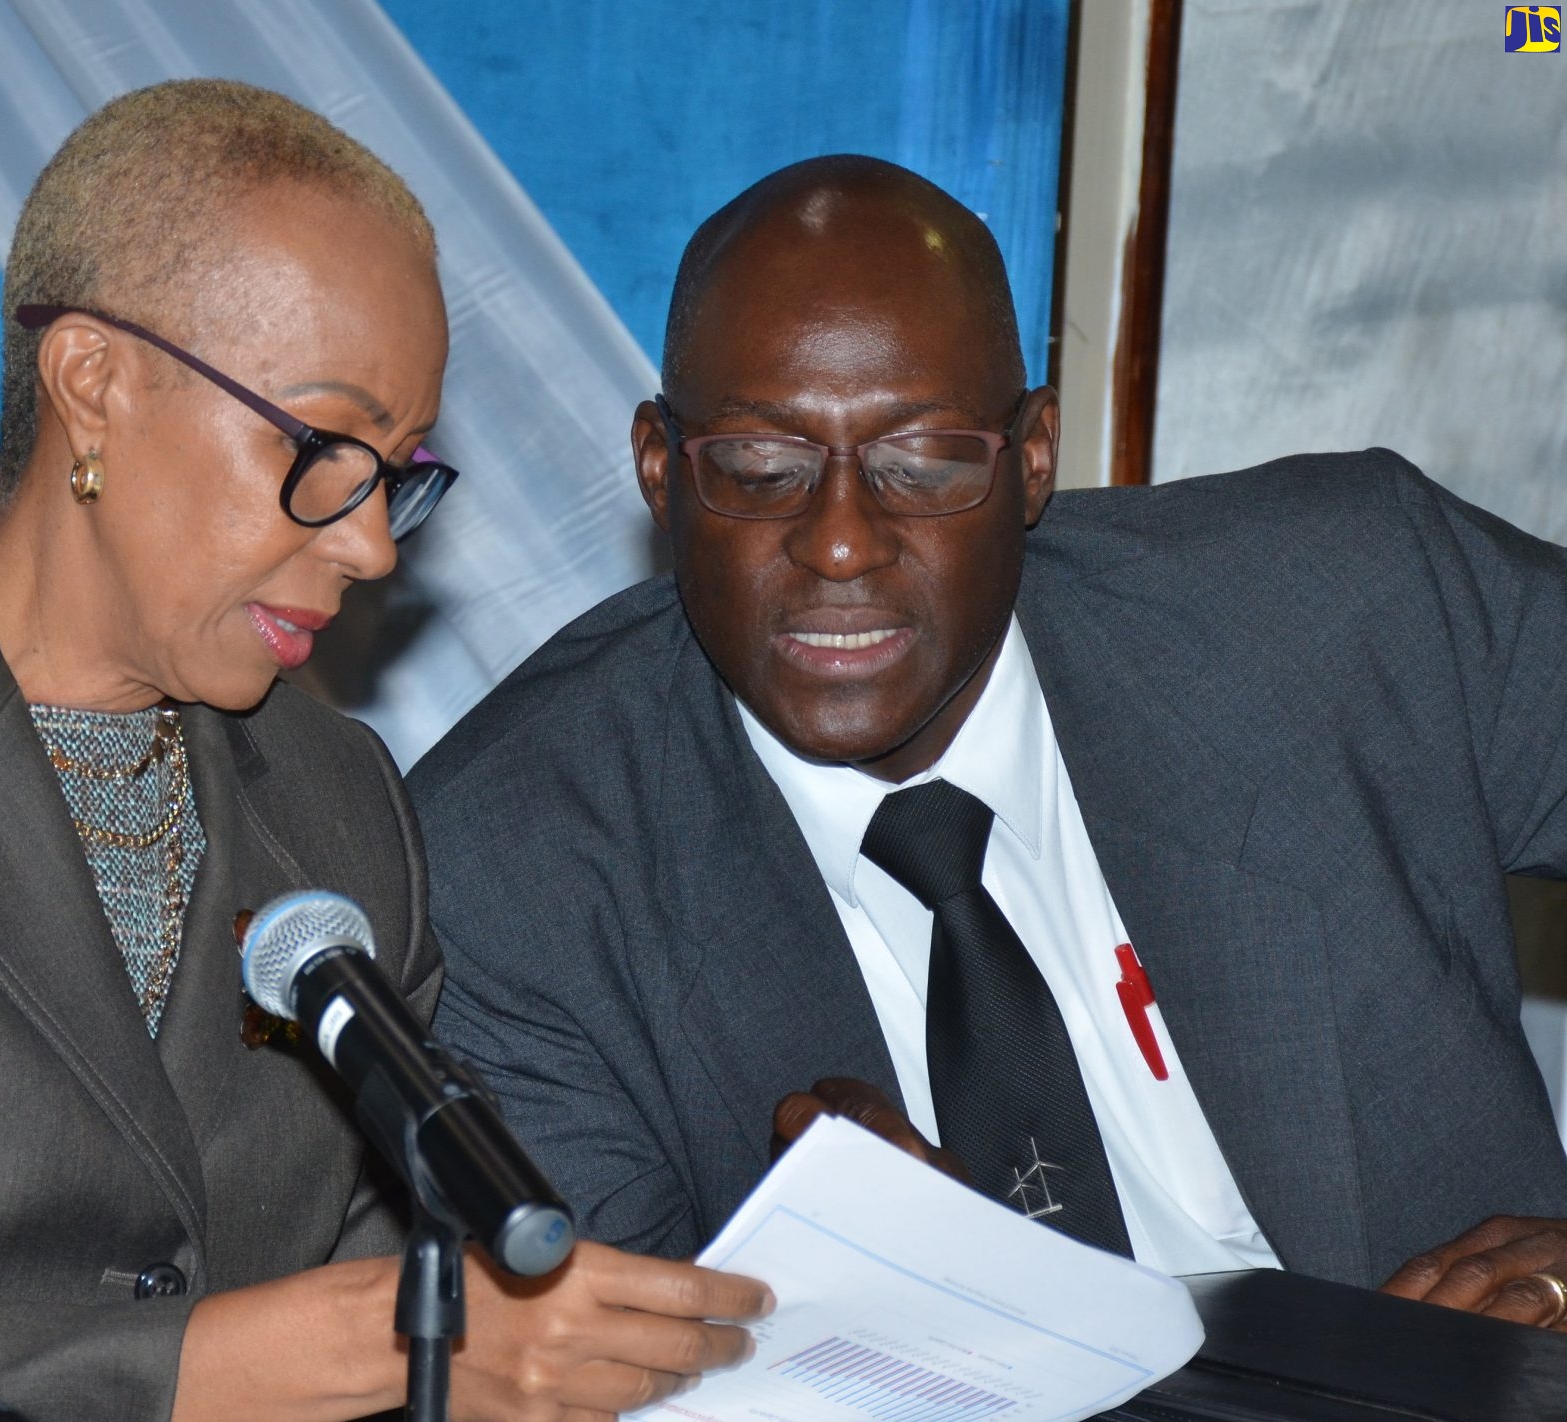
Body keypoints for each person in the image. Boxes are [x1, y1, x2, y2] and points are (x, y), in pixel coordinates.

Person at [0, 80, 768, 1422]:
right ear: (94, 383)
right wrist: (333, 1347)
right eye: (326, 446)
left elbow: (398, 1323)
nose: (372, 542)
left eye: (398, 467)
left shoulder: (341, 807)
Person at [410, 154, 1567, 1329]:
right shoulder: (506, 888)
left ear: (1030, 460)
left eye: (922, 464)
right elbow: (602, 1385)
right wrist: (861, 1324)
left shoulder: (1353, 605)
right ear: (661, 472)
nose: (843, 543)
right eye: (761, 469)